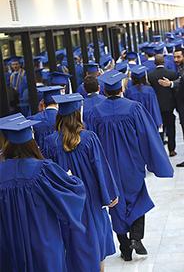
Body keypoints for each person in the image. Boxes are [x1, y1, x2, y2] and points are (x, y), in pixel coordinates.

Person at [86, 69, 174, 261]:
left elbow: (90, 145)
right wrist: (154, 161)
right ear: (121, 89)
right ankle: (136, 237)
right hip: (132, 164)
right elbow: (147, 136)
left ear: (104, 90)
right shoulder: (134, 108)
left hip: (108, 168)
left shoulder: (94, 114)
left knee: (115, 204)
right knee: (138, 198)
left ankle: (124, 247)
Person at [0, 113, 86, 272]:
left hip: (10, 246)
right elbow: (74, 191)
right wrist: (69, 178)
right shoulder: (43, 170)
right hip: (44, 244)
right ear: (31, 142)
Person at [44, 93, 119, 271]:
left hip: (66, 206)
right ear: (78, 115)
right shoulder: (89, 138)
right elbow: (100, 169)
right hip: (91, 202)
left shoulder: (49, 142)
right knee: (96, 248)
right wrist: (109, 196)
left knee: (71, 250)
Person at [158, 49, 184, 166]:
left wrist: (171, 84)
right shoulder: (179, 68)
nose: (175, 60)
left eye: (178, 57)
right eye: (174, 57)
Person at [148, 54, 177, 156]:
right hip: (169, 107)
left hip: (157, 108)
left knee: (160, 129)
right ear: (164, 62)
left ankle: (160, 149)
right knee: (171, 128)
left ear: (154, 63)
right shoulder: (172, 74)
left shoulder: (150, 76)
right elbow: (175, 91)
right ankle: (172, 149)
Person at [124, 65, 163, 129]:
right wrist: (158, 121)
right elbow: (154, 106)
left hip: (135, 122)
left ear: (132, 78)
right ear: (144, 77)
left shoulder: (129, 91)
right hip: (149, 121)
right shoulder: (150, 90)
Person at [28, 86, 62, 152]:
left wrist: (40, 112)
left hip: (42, 156)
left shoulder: (33, 120)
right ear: (58, 102)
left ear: (43, 102)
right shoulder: (64, 117)